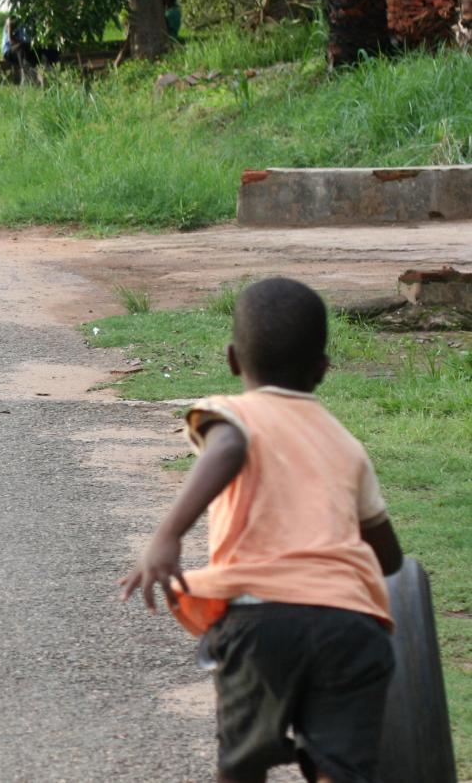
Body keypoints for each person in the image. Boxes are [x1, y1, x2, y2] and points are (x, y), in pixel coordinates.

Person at [120, 277, 403, 783]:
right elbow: (390, 561)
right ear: (323, 370)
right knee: (341, 768)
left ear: (232, 359)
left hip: (262, 621)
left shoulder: (233, 414)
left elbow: (228, 448)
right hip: (351, 629)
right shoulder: (346, 445)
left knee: (242, 762)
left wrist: (168, 534)